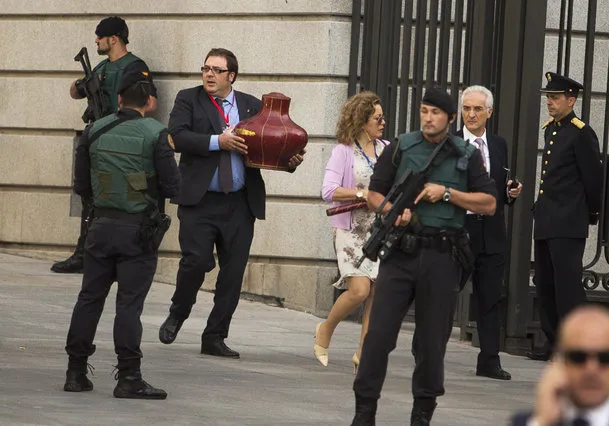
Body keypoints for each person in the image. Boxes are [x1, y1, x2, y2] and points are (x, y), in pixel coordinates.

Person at [351, 87, 497, 425]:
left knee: (431, 345)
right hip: (400, 253)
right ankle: (364, 411)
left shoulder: (465, 154)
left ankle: (422, 415)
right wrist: (391, 210)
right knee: (378, 337)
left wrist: (447, 193)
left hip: (442, 257)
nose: (428, 118)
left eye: (435, 113)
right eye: (424, 111)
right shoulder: (402, 146)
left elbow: (489, 203)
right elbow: (375, 192)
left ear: (450, 118)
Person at [158, 48, 304, 358]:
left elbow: (269, 147)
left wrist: (289, 160)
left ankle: (215, 336)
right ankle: (178, 313)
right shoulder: (189, 99)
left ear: (231, 76)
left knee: (233, 274)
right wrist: (217, 142)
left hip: (239, 203)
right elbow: (176, 137)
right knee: (195, 261)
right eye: (205, 68)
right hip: (199, 200)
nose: (208, 74)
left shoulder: (252, 106)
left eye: (216, 70)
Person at [63, 69, 180, 399]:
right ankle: (129, 377)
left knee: (89, 299)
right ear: (149, 102)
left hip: (99, 229)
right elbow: (173, 187)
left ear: (118, 99)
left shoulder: (94, 131)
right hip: (138, 232)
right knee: (129, 306)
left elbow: (81, 186)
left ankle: (75, 372)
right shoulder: (156, 134)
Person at [52, 16, 159, 274]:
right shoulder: (100, 67)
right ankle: (84, 254)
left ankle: (113, 254)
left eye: (100, 37)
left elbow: (151, 103)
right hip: (98, 139)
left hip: (122, 141)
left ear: (114, 39)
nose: (96, 41)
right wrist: (85, 85)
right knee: (89, 194)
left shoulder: (134, 66)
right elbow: (73, 91)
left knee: (122, 198)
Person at [527, 72, 603, 362]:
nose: (550, 102)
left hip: (569, 221)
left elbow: (593, 179)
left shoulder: (581, 133)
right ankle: (554, 341)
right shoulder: (551, 130)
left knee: (568, 286)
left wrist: (591, 213)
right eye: (548, 96)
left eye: (555, 97)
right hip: (547, 218)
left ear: (571, 100)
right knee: (545, 284)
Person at [317, 91, 389, 372]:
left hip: (378, 229)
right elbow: (328, 190)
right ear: (361, 121)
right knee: (359, 290)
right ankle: (326, 327)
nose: (382, 123)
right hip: (351, 228)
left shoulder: (387, 149)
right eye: (377, 118)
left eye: (383, 117)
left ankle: (364, 352)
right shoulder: (343, 151)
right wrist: (362, 193)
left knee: (377, 291)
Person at [457, 85, 522, 380]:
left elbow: (498, 184)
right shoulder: (451, 143)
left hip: (492, 231)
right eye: (467, 108)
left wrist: (511, 193)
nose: (471, 114)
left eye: (477, 109)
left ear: (489, 113)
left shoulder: (498, 145)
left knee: (490, 297)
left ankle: (489, 360)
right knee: (444, 293)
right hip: (460, 230)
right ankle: (427, 351)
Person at [511, 305, 609, 426]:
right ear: (560, 360)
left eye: (605, 358)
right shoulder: (528, 422)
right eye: (578, 357)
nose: (591, 369)